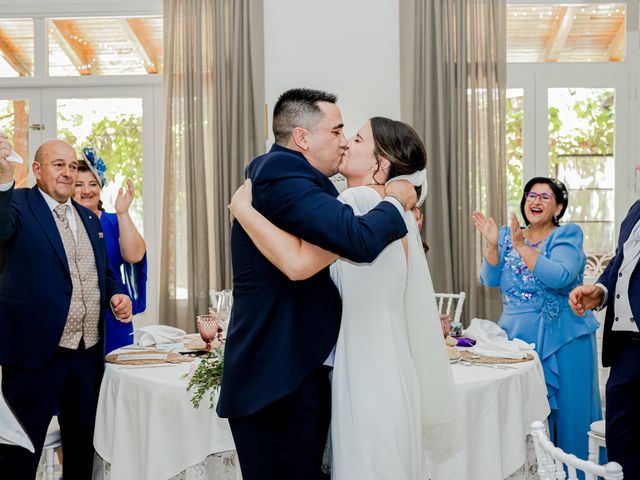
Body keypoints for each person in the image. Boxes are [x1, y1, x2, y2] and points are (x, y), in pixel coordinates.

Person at [228, 116, 455, 480]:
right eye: (341, 133)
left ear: (380, 163)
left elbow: (298, 263)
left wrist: (244, 211)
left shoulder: (356, 203)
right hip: (389, 361)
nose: (346, 141)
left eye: (357, 138)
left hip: (363, 366)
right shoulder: (390, 211)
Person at [0, 135, 132, 480]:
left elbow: (100, 272)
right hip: (34, 356)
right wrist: (2, 179)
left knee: (82, 450)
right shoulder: (17, 204)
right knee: (18, 455)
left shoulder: (89, 220)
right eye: (59, 165)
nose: (67, 172)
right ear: (38, 170)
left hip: (86, 357)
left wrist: (116, 295)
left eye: (72, 166)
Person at [473, 177, 601, 463]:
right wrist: (494, 246)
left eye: (545, 197)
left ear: (558, 207)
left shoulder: (567, 235)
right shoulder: (509, 235)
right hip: (516, 338)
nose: (536, 201)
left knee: (570, 416)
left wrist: (521, 248)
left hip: (563, 338)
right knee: (523, 420)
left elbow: (560, 276)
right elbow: (489, 279)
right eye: (531, 195)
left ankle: (575, 473)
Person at [569, 199, 640, 476]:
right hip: (625, 349)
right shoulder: (635, 209)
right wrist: (600, 291)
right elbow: (620, 262)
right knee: (621, 448)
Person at [73, 147, 147, 353]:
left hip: (115, 312)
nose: (86, 191)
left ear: (101, 187)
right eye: (78, 185)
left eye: (93, 184)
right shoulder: (62, 223)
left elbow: (135, 255)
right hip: (74, 320)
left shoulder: (114, 221)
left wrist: (123, 213)